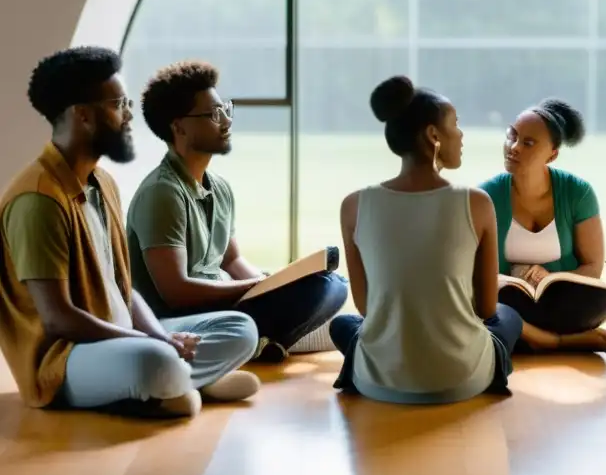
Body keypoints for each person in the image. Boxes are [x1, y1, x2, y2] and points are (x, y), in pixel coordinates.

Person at [0, 47, 260, 418]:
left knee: (240, 328)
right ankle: (175, 379)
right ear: (84, 115)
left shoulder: (103, 183)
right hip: (66, 358)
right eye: (119, 104)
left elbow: (124, 289)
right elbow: (58, 319)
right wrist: (154, 342)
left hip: (121, 337)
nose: (128, 116)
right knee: (154, 360)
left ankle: (175, 383)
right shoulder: (38, 199)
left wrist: (162, 336)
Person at [125, 60, 349, 362]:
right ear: (179, 127)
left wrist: (273, 283)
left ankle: (266, 343)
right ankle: (260, 342)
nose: (226, 121)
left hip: (220, 303)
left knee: (334, 284)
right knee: (321, 290)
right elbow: (175, 292)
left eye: (226, 109)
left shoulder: (219, 188)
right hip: (179, 319)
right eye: (214, 114)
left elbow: (232, 259)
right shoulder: (161, 193)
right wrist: (256, 287)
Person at [329, 76, 523, 404]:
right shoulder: (476, 203)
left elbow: (365, 307)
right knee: (509, 317)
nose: (461, 135)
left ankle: (367, 367)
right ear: (433, 135)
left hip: (378, 381)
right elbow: (487, 308)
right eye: (455, 124)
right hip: (462, 379)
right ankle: (486, 368)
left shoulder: (353, 205)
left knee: (344, 325)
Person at [479, 99, 606, 353]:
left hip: (558, 303)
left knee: (602, 300)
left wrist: (550, 278)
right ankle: (558, 340)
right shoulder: (486, 196)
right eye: (512, 136)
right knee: (490, 306)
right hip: (507, 302)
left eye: (528, 143)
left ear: (552, 154)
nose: (514, 147)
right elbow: (476, 274)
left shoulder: (578, 192)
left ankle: (524, 338)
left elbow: (592, 266)